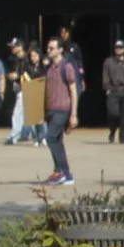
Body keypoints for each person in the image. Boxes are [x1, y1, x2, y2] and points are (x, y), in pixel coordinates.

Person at [41, 39, 78, 187]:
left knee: (50, 137)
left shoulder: (67, 67)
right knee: (57, 140)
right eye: (48, 48)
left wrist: (73, 114)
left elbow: (73, 90)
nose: (48, 50)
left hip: (62, 108)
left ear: (60, 50)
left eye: (52, 48)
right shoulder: (49, 67)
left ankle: (63, 171)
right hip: (50, 109)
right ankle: (62, 171)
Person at [101, 40, 124, 143]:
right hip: (113, 91)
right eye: (116, 47)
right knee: (113, 114)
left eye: (120, 47)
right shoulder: (108, 62)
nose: (118, 49)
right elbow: (105, 76)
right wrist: (107, 88)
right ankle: (112, 130)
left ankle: (122, 138)